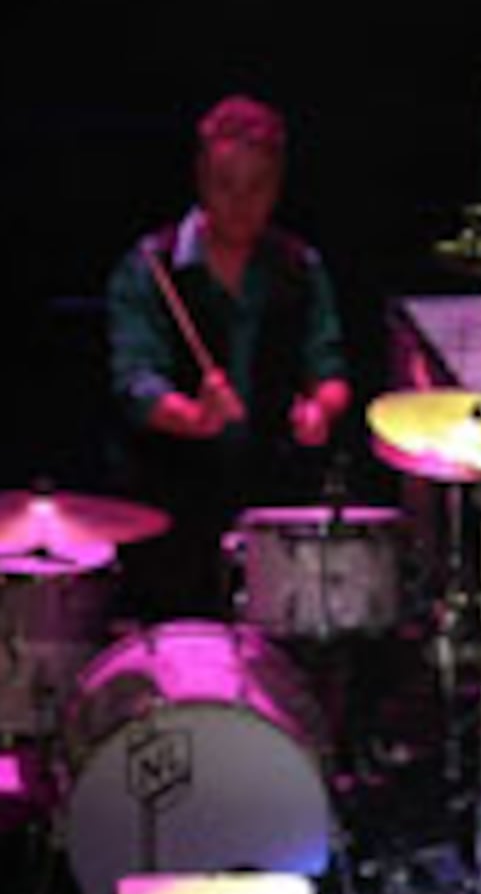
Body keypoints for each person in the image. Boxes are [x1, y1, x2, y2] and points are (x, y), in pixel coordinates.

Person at [104, 95, 353, 616]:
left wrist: (319, 411)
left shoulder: (300, 267)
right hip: (170, 511)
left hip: (274, 506)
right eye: (225, 185)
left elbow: (329, 370)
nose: (241, 202)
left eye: (256, 187)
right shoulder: (151, 267)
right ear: (200, 177)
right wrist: (193, 417)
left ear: (278, 185)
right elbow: (135, 382)